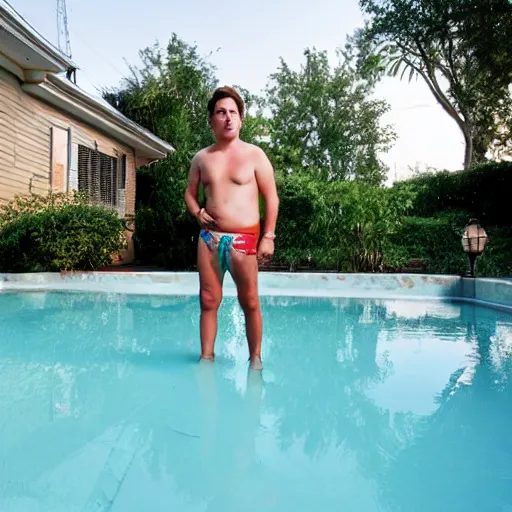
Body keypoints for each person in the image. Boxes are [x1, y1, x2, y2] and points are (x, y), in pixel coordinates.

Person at [184, 86, 279, 371]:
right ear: (212, 120)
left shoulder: (255, 155)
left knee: (249, 301)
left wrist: (269, 236)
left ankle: (255, 359)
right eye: (221, 113)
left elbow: (271, 196)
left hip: (245, 240)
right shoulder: (202, 158)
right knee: (208, 299)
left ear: (241, 120)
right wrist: (197, 211)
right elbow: (190, 193)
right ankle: (206, 357)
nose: (228, 118)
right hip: (210, 239)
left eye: (233, 113)